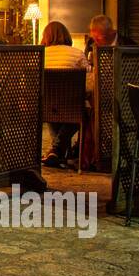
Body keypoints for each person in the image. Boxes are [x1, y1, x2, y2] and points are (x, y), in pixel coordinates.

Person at [42, 21, 90, 169]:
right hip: (72, 107)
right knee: (84, 113)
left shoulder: (41, 54)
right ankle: (57, 151)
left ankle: (56, 152)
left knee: (52, 106)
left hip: (46, 106)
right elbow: (89, 80)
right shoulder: (77, 53)